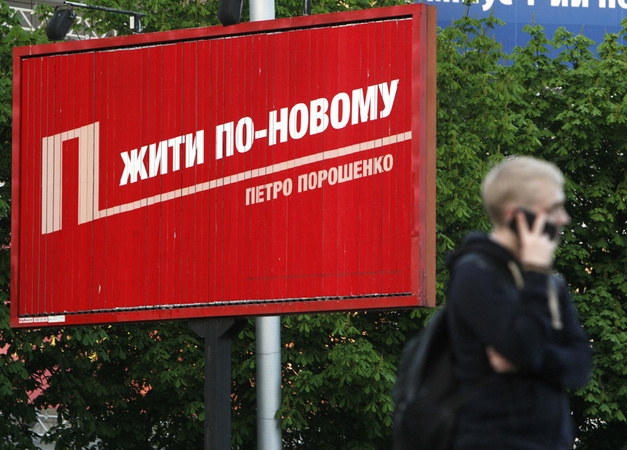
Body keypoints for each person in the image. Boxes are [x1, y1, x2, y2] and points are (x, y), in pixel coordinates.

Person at [445, 156, 592, 450]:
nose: (563, 219)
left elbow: (580, 365)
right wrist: (535, 272)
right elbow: (526, 347)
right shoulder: (474, 275)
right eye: (552, 209)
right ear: (516, 216)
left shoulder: (550, 282)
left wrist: (534, 361)